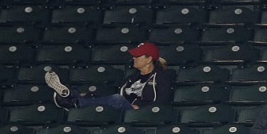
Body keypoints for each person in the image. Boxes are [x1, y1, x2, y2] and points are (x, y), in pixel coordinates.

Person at [45, 42, 174, 110]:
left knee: (116, 99)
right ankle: (71, 95)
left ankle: (74, 103)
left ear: (149, 59)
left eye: (137, 56)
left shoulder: (162, 77)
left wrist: (141, 108)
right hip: (123, 108)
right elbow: (117, 91)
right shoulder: (132, 77)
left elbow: (162, 101)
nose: (134, 58)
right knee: (100, 92)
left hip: (141, 112)